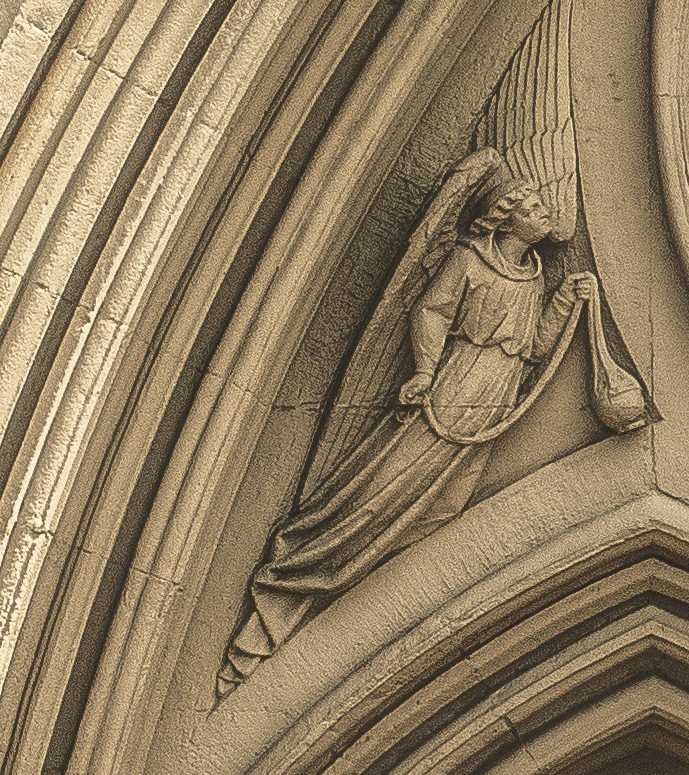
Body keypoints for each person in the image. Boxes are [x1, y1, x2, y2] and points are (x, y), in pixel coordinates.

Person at [224, 164, 593, 688]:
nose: (544, 213)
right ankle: (305, 568)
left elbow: (532, 348)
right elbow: (431, 310)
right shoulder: (468, 261)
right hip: (455, 391)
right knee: (385, 486)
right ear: (504, 220)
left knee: (442, 503)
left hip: (494, 400)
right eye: (532, 208)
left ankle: (361, 582)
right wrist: (424, 372)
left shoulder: (533, 275)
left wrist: (562, 300)